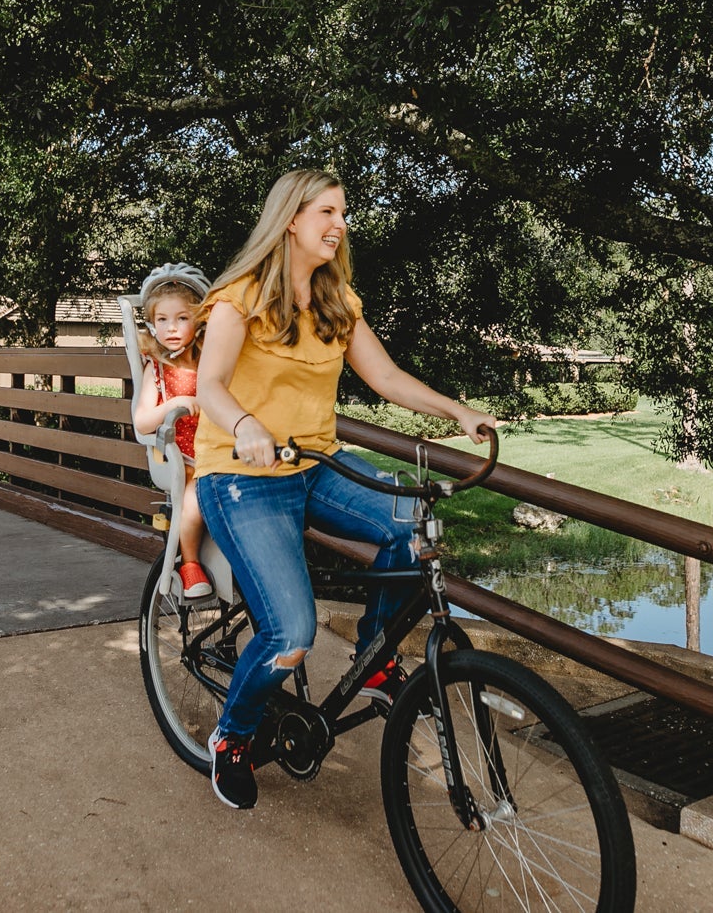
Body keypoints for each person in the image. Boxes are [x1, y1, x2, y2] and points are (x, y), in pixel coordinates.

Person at [193, 169, 498, 810]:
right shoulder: (238, 299)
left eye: (342, 213)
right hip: (245, 480)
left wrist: (457, 411)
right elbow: (210, 385)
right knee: (291, 632)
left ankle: (374, 656)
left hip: (315, 465)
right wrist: (246, 425)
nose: (340, 224)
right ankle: (232, 735)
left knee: (411, 526)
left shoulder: (338, 303)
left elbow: (385, 376)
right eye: (326, 211)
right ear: (291, 220)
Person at [134, 263, 214, 600]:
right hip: (184, 458)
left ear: (198, 320)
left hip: (218, 448)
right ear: (152, 325)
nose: (171, 328)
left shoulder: (212, 359)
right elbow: (142, 421)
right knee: (193, 502)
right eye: (162, 320)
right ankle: (190, 562)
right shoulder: (159, 368)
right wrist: (175, 402)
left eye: (182, 318)